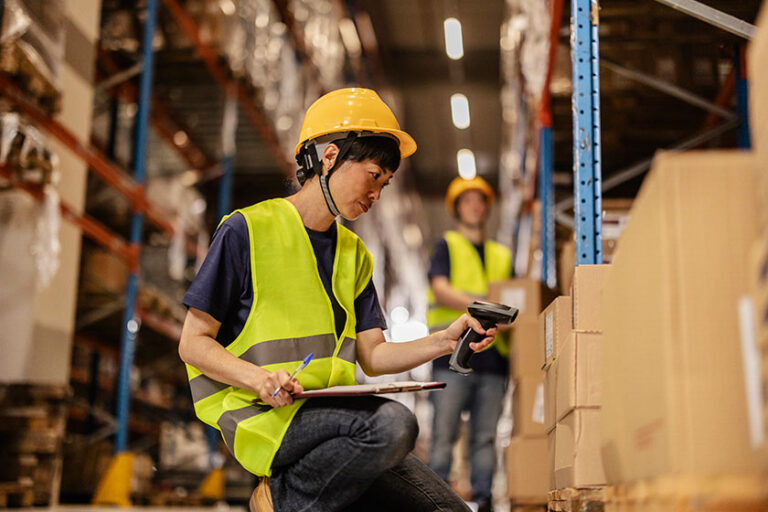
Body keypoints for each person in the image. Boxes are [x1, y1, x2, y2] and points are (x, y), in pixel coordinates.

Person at [178, 88, 500, 512]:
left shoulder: (355, 255)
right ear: (329, 157)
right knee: (395, 423)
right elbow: (193, 342)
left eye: (385, 184)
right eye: (373, 175)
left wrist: (445, 339)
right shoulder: (247, 230)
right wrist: (259, 379)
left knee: (448, 509)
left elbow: (374, 355)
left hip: (331, 420)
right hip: (264, 415)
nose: (376, 194)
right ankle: (281, 499)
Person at [426, 176, 513, 512]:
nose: (475, 206)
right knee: (444, 434)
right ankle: (435, 502)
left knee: (485, 437)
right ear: (456, 208)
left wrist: (502, 315)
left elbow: (513, 301)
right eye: (468, 201)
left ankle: (484, 500)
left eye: (480, 201)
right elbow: (441, 289)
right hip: (451, 355)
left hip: (493, 361)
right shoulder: (446, 245)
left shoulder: (501, 255)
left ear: (486, 208)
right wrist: (484, 305)